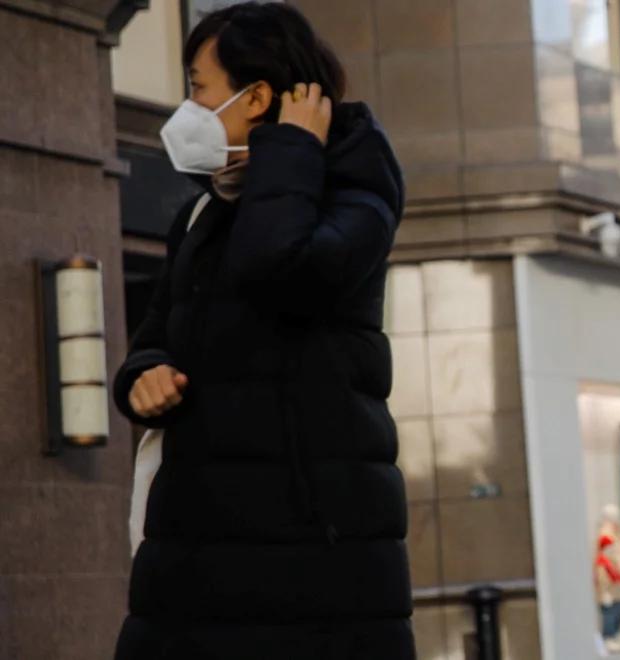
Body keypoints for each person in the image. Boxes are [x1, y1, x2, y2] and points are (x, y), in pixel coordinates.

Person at [111, 4, 412, 658]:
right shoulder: (203, 212)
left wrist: (294, 151)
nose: (187, 105)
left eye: (198, 85)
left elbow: (285, 274)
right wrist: (144, 376)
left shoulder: (356, 189)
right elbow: (157, 334)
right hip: (195, 562)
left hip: (309, 570)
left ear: (259, 98)